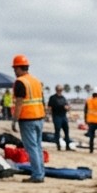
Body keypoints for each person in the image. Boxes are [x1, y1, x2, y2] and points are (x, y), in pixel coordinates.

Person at [10, 54, 45, 183]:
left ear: (19, 68)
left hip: (27, 119)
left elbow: (19, 103)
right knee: (38, 147)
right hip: (39, 117)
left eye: (15, 69)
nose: (14, 72)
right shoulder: (36, 81)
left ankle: (37, 175)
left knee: (31, 148)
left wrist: (14, 119)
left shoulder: (20, 82)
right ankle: (40, 172)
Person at [47, 84, 71, 150]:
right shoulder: (53, 98)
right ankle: (58, 145)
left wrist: (67, 108)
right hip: (57, 116)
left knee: (66, 131)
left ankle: (67, 146)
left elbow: (67, 106)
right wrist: (48, 115)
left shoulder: (63, 98)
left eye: (61, 90)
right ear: (56, 90)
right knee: (57, 131)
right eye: (58, 90)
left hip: (63, 116)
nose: (60, 91)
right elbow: (49, 107)